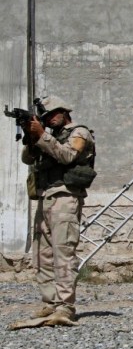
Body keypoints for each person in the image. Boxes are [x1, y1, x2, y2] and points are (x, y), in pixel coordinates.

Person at [21, 95, 96, 324]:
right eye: (46, 116)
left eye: (54, 113)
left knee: (63, 252)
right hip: (45, 196)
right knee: (42, 255)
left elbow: (67, 156)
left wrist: (42, 135)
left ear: (65, 112)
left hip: (65, 197)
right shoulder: (49, 136)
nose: (51, 119)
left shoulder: (79, 132)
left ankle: (65, 306)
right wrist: (32, 136)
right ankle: (50, 302)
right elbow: (27, 159)